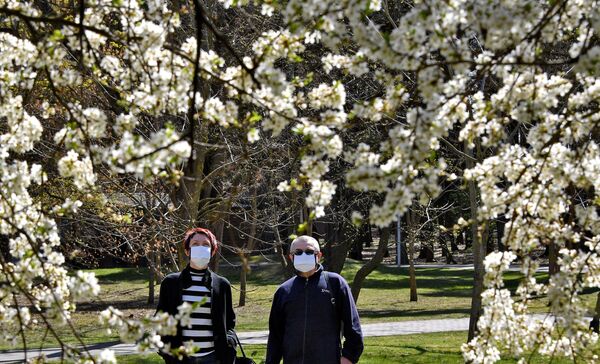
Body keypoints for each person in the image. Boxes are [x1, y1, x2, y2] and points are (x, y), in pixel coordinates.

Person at [266, 235, 364, 364]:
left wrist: (349, 357)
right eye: (298, 252)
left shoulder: (335, 283)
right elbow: (275, 336)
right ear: (291, 257)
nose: (303, 255)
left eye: (309, 252)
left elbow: (353, 326)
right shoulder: (284, 291)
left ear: (319, 255)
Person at [156, 228, 236, 364]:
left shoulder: (222, 285)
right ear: (187, 251)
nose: (201, 248)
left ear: (212, 251)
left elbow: (229, 322)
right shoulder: (171, 283)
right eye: (195, 244)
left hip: (213, 358)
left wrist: (230, 341)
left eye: (206, 245)